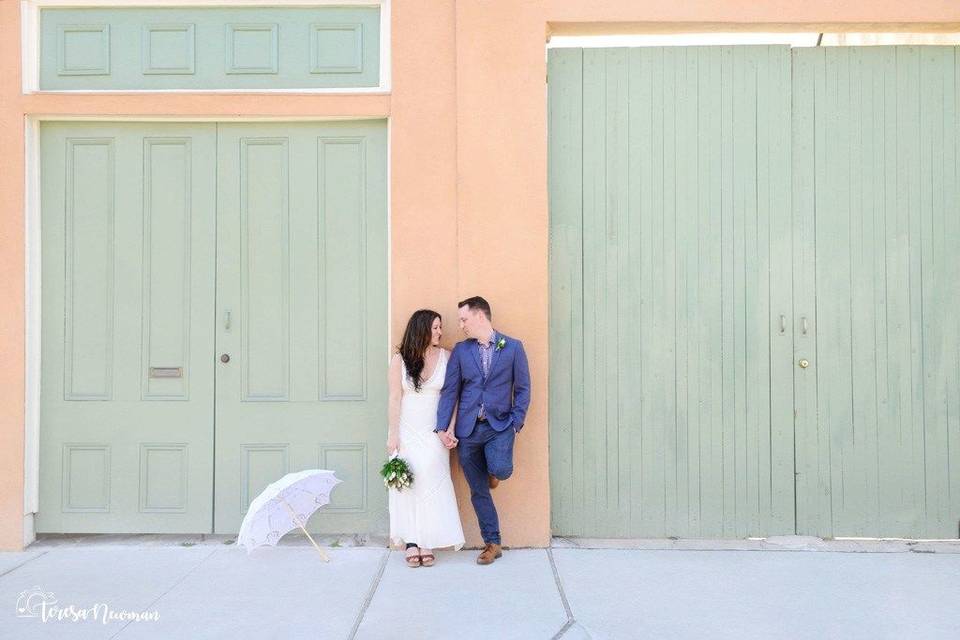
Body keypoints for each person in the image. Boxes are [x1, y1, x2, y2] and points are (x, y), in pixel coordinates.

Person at [436, 296, 531, 565]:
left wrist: (516, 421)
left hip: (500, 426)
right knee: (478, 490)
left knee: (501, 469)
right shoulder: (461, 351)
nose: (461, 325)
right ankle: (492, 543)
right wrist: (442, 427)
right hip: (467, 431)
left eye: (464, 319)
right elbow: (450, 391)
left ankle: (494, 472)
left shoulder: (512, 347)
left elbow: (523, 389)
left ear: (480, 316)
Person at [387, 309, 465, 567]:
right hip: (407, 429)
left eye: (440, 327)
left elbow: (453, 398)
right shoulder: (399, 360)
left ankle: (427, 540)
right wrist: (393, 435)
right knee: (409, 482)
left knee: (432, 480)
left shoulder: (448, 357)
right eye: (435, 327)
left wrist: (450, 428)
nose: (440, 332)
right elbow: (395, 398)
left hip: (435, 429)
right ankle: (411, 541)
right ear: (421, 328)